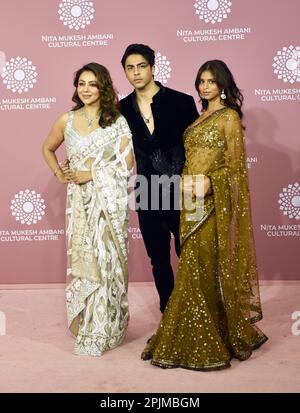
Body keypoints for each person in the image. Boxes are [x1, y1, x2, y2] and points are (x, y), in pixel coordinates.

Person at [141, 60, 268, 370]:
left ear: (223, 85)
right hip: (188, 201)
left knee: (203, 266)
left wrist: (212, 182)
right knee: (192, 266)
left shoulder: (228, 118)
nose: (205, 86)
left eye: (212, 81)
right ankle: (193, 329)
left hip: (211, 203)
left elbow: (235, 168)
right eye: (201, 81)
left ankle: (210, 335)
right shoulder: (198, 119)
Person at [42, 62, 134, 356]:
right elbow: (47, 148)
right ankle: (90, 324)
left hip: (108, 201)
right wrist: (61, 174)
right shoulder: (66, 120)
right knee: (89, 260)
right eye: (81, 83)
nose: (85, 90)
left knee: (107, 261)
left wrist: (92, 174)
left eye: (92, 84)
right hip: (79, 203)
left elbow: (127, 163)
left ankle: (109, 323)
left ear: (103, 87)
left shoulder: (116, 121)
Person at [120, 44, 199, 313]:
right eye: (130, 68)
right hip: (146, 190)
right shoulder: (120, 110)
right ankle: (170, 313)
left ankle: (197, 311)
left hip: (182, 188)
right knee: (158, 259)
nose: (136, 72)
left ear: (153, 67)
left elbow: (197, 148)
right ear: (125, 72)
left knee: (190, 255)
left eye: (141, 66)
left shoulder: (182, 101)